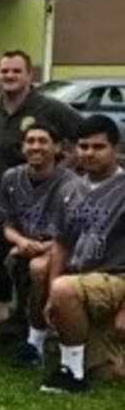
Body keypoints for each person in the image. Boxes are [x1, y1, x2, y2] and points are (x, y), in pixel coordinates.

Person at [40, 116, 125, 393]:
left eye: (98, 147)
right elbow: (61, 243)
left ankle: (71, 374)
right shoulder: (68, 188)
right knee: (108, 373)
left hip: (115, 280)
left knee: (66, 289)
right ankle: (77, 357)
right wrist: (51, 292)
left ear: (116, 148)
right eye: (83, 146)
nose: (89, 153)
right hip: (81, 280)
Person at [0, 123, 88, 369]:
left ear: (57, 147)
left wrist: (41, 248)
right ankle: (22, 322)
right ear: (23, 147)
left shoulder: (71, 184)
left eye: (43, 141)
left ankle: (35, 341)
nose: (36, 147)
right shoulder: (11, 178)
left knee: (39, 268)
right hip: (23, 245)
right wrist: (21, 241)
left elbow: (75, 234)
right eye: (30, 141)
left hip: (62, 249)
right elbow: (7, 223)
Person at [0, 49, 83, 199]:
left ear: (29, 75)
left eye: (17, 71)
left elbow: (86, 138)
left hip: (41, 198)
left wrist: (58, 175)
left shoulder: (50, 107)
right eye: (4, 71)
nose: (9, 75)